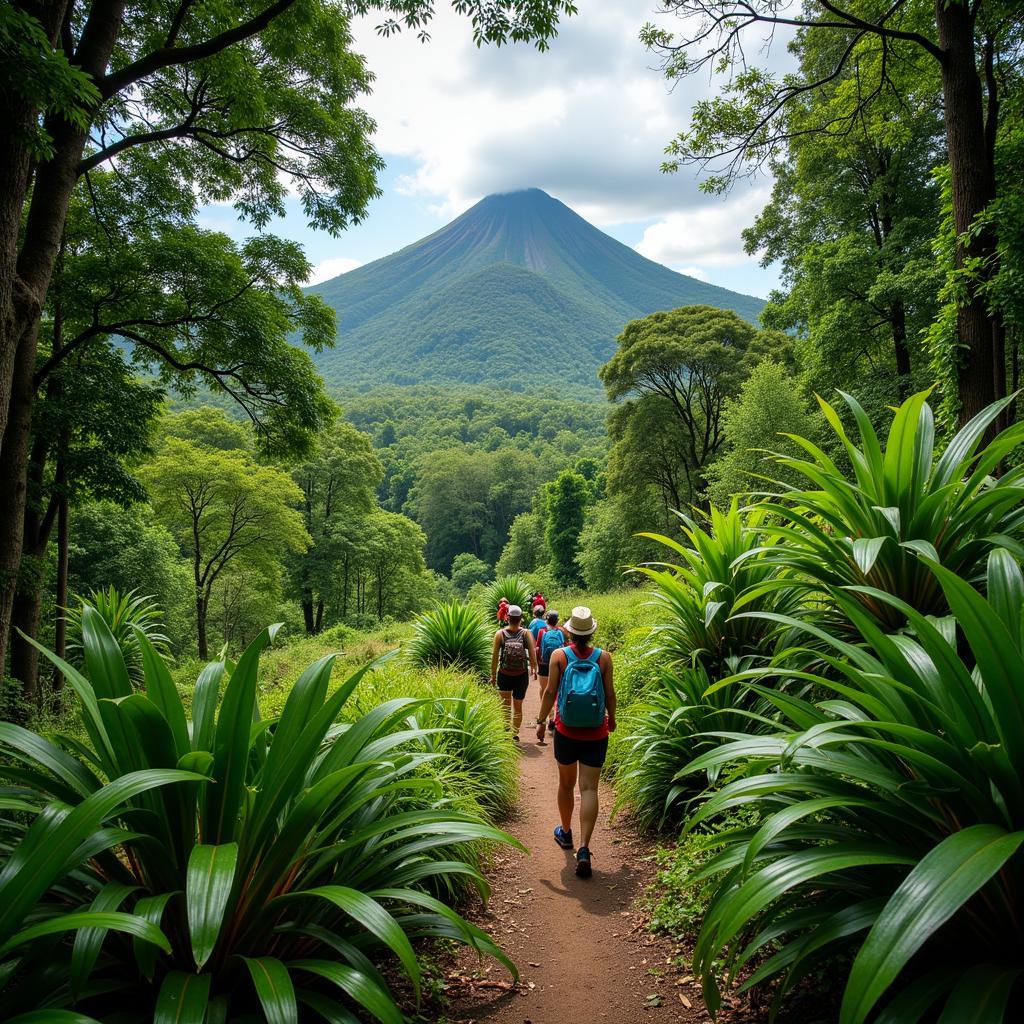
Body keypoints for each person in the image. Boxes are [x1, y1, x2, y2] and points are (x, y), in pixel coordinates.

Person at [535, 606, 615, 878]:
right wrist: (612, 719)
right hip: (596, 732)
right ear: (592, 632)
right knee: (590, 789)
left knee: (566, 785)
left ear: (568, 631)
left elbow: (550, 692)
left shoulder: (559, 656)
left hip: (566, 731)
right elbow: (610, 695)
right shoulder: (604, 658)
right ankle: (584, 848)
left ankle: (566, 833)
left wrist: (541, 720)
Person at [490, 604, 538, 740]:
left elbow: (494, 657)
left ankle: (506, 732)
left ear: (507, 617)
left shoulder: (500, 634)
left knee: (505, 705)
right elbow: (532, 654)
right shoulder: (526, 633)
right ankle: (514, 734)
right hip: (521, 676)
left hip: (504, 675)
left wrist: (493, 675)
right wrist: (534, 668)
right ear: (521, 618)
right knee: (518, 706)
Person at [536, 609, 566, 730]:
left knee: (544, 689)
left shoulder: (541, 631)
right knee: (556, 689)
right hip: (557, 663)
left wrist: (538, 663)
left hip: (544, 664)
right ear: (557, 621)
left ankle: (546, 711)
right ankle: (553, 715)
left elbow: (538, 649)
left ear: (546, 620)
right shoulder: (560, 632)